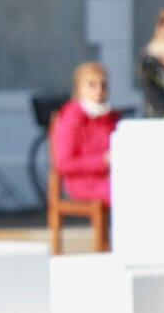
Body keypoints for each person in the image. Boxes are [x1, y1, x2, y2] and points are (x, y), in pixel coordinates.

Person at [51, 62, 121, 205]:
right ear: (79, 88)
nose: (99, 90)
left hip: (112, 176)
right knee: (127, 191)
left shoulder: (110, 117)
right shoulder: (72, 118)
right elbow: (64, 163)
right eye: (92, 85)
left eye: (103, 85)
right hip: (85, 183)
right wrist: (102, 161)